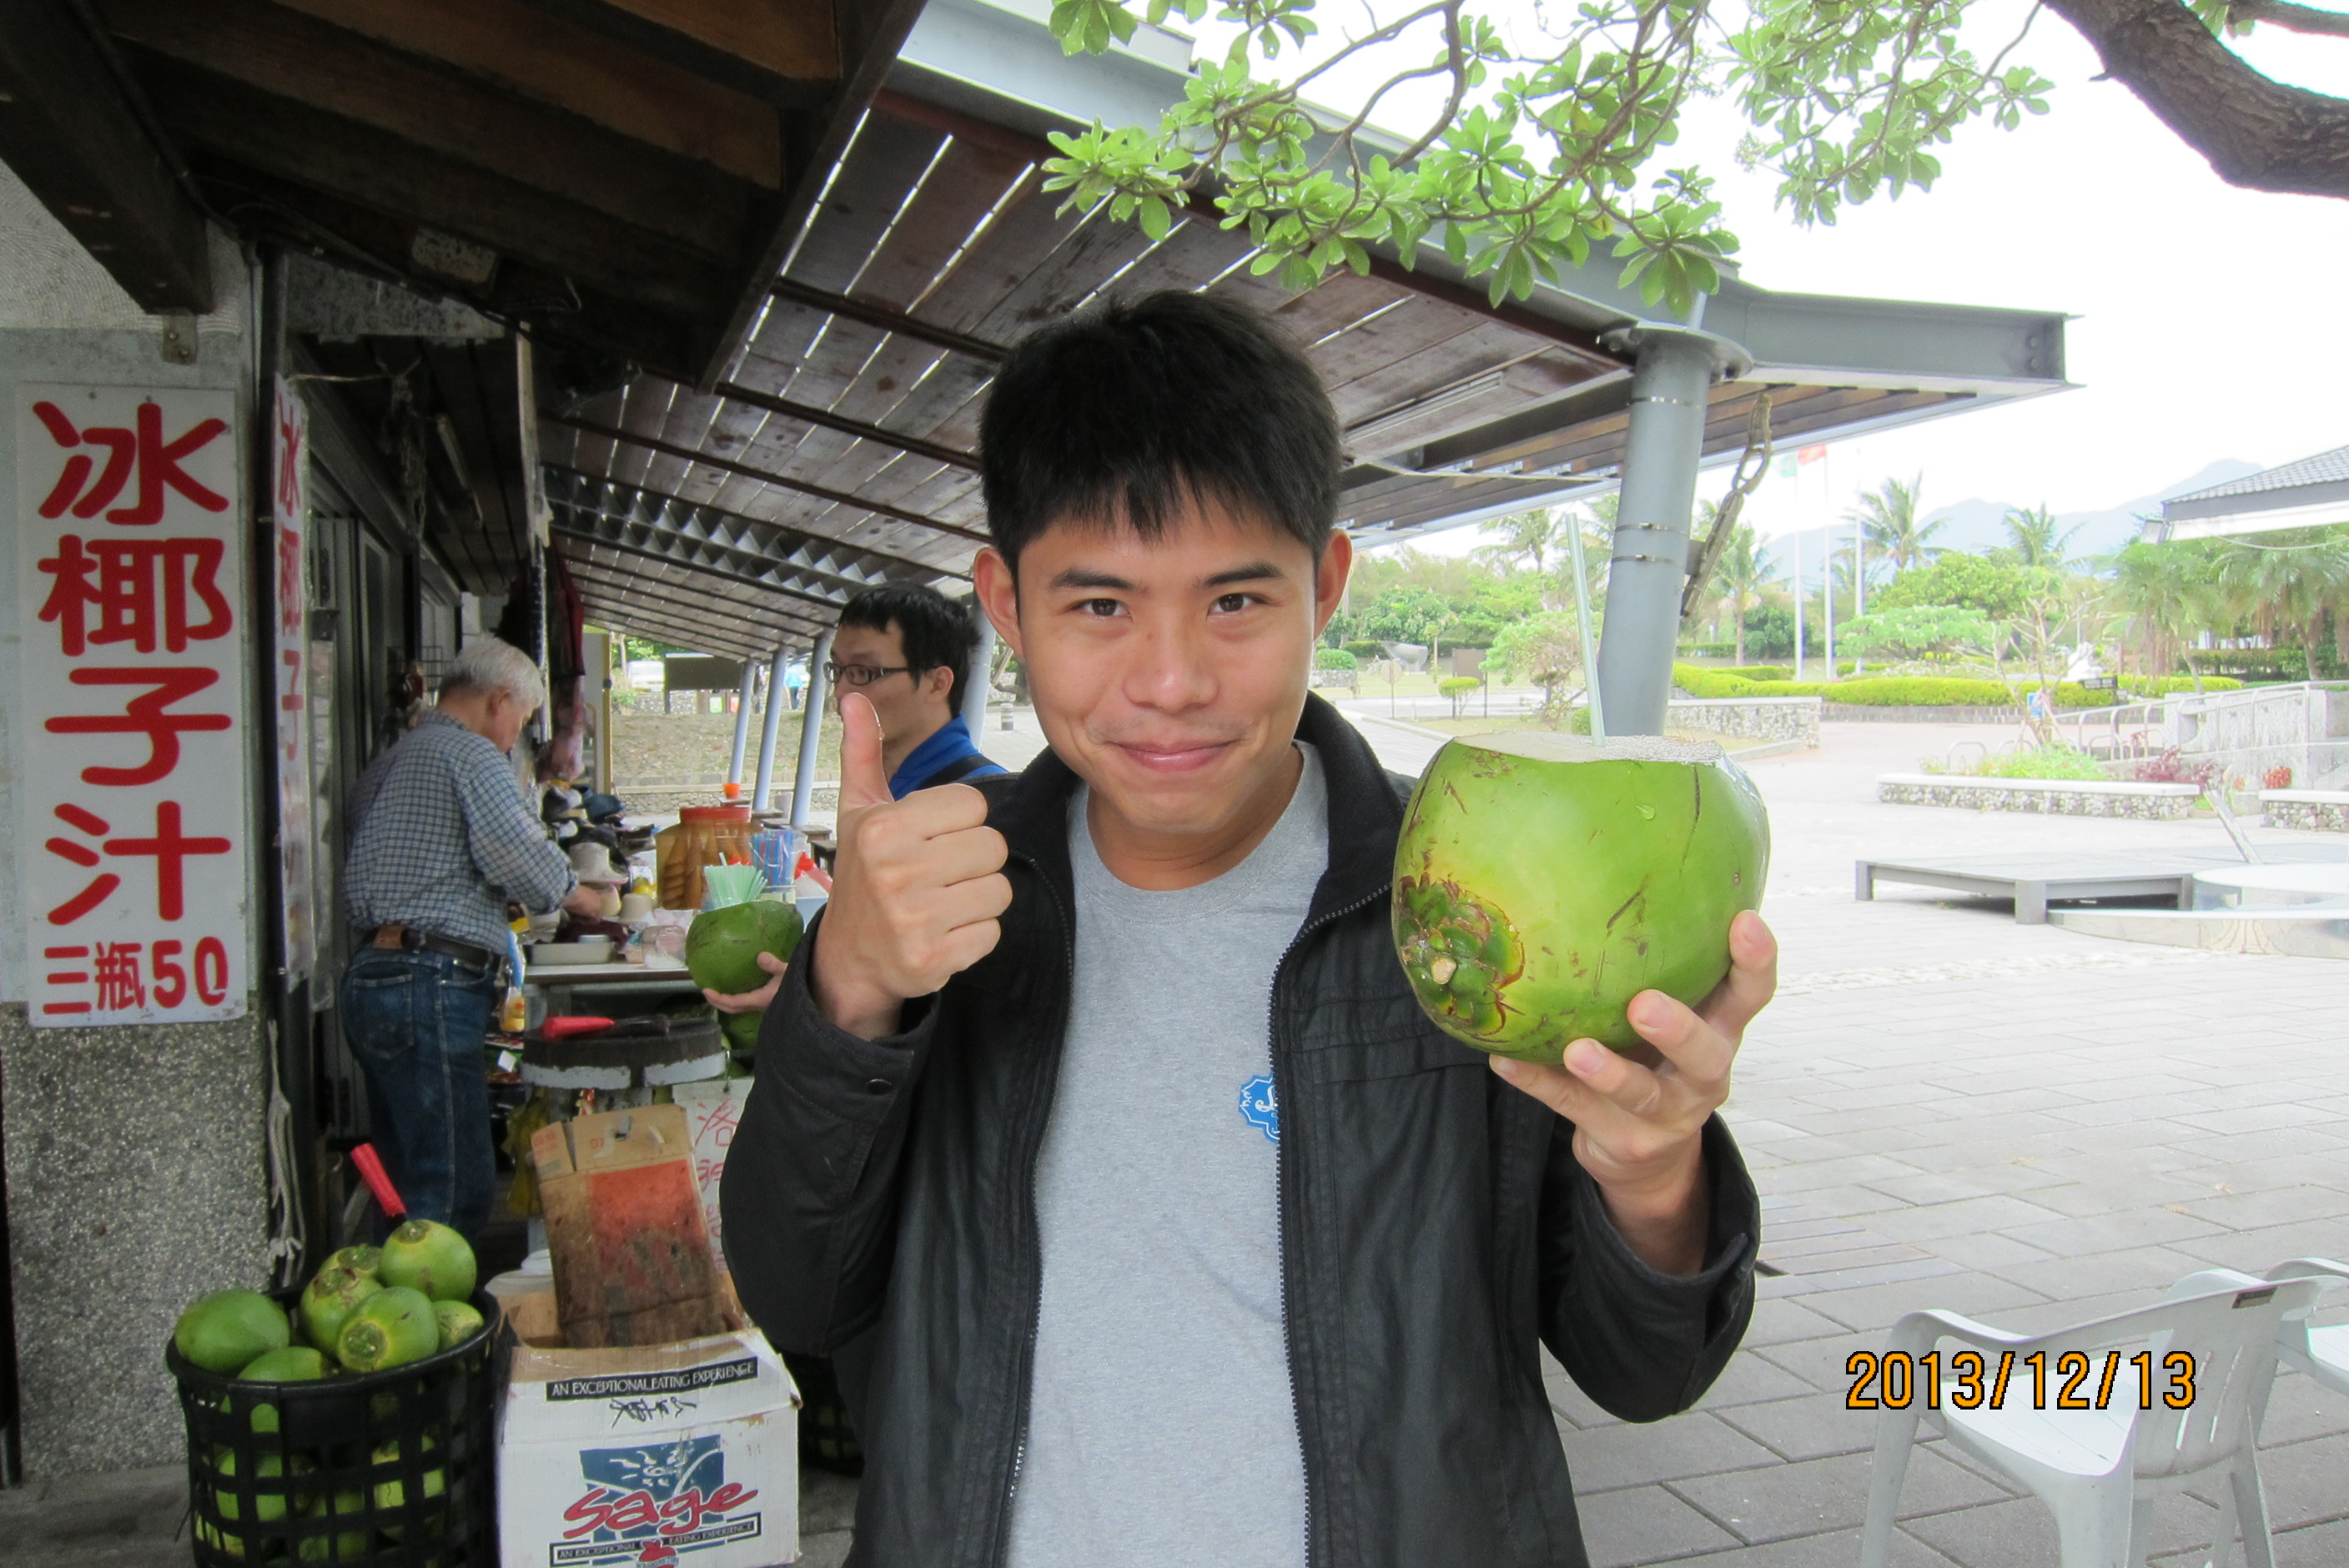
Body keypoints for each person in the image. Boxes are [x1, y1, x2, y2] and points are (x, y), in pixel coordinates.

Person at [715, 292, 1775, 1568]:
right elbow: (797, 1296)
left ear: (1324, 584)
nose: (1171, 680)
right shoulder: (937, 904)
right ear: (1006, 603)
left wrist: (1658, 1176)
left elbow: (1645, 1370)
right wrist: (850, 989)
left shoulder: (1468, 911)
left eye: (1234, 603)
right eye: (1100, 607)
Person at [342, 637, 602, 1239]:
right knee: (451, 1186)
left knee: (402, 1181)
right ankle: (437, 1326)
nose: (518, 734)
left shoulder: (396, 757)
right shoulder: (471, 753)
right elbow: (523, 857)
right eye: (522, 717)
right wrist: (581, 895)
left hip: (372, 976)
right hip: (426, 979)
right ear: (498, 700)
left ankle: (393, 1311)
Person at [827, 583, 1006, 797]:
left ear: (937, 684)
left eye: (863, 672)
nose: (840, 692)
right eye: (837, 670)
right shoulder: (876, 785)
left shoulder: (990, 803)